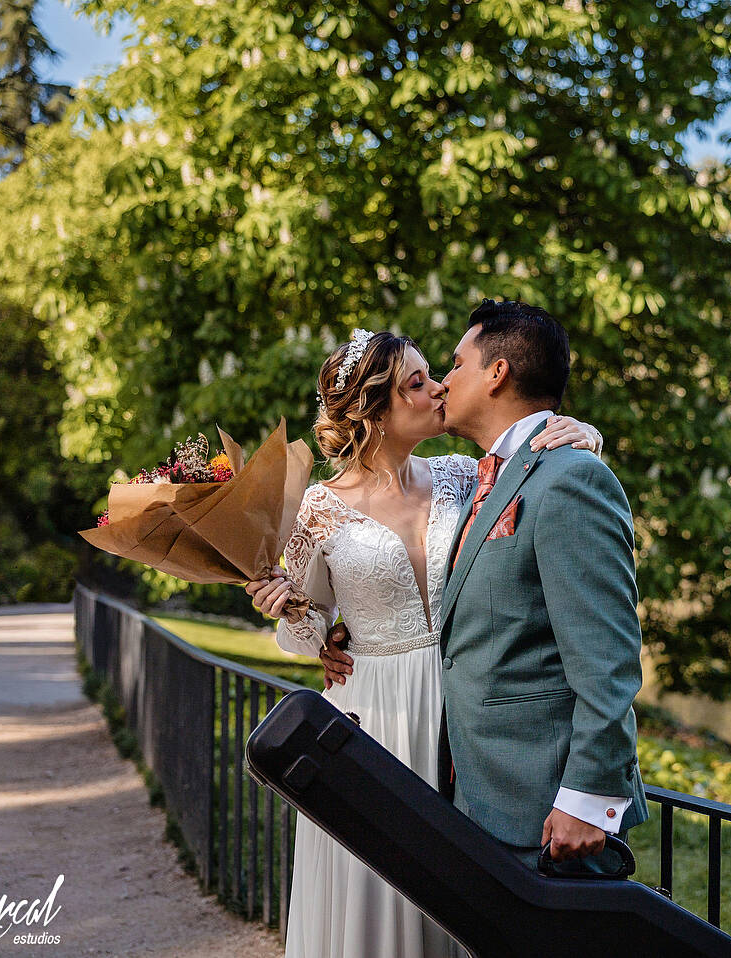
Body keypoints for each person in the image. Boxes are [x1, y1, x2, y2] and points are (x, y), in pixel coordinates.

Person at [245, 327, 604, 958]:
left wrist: (585, 436)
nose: (438, 387)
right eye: (417, 382)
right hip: (371, 714)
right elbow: (301, 637)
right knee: (376, 882)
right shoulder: (318, 511)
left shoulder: (464, 477)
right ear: (373, 412)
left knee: (462, 889)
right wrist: (287, 607)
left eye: (434, 373)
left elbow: (544, 489)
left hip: (461, 705)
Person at [323, 300, 649, 875]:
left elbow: (607, 658)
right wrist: (333, 625)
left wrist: (589, 797)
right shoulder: (482, 476)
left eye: (455, 363)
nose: (445, 383)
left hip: (545, 808)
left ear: (497, 374)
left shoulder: (569, 475)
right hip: (464, 787)